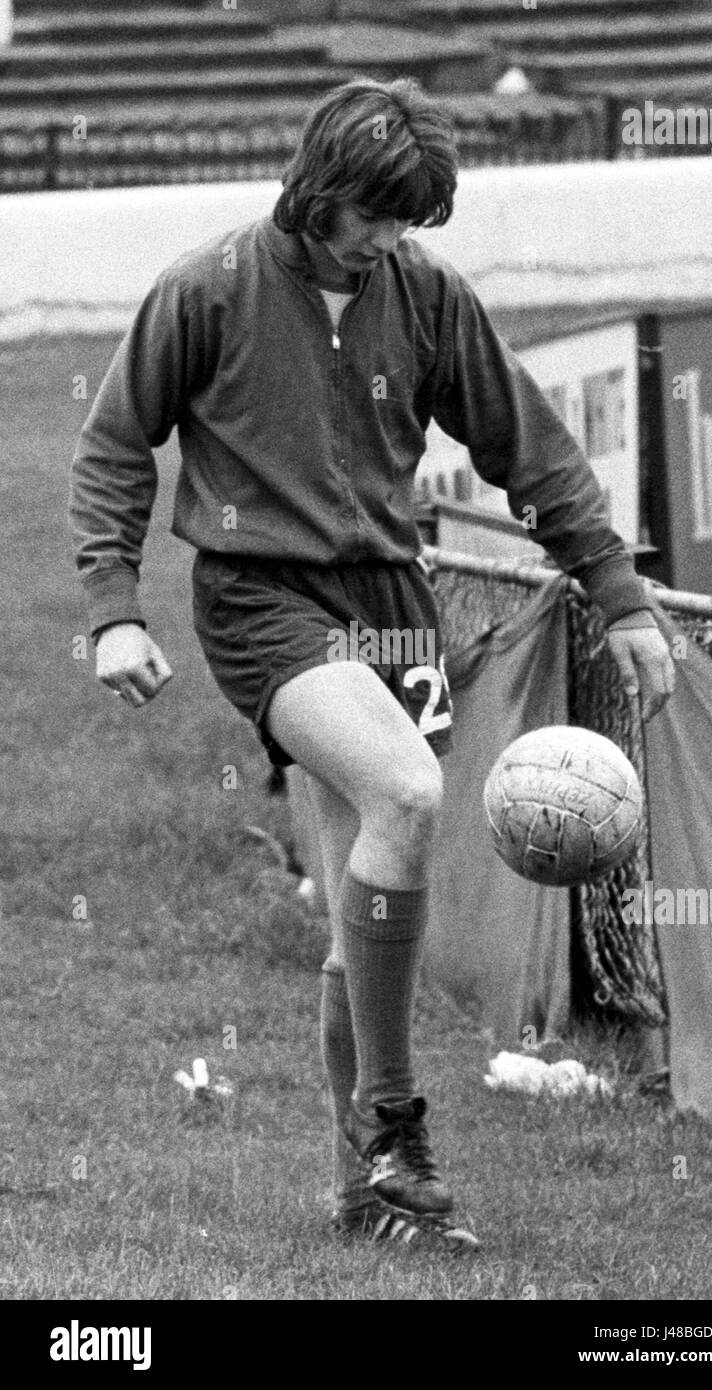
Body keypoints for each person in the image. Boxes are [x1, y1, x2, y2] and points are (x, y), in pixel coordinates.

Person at [70, 78, 675, 1253]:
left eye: (410, 222)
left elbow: (526, 445)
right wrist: (111, 610)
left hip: (392, 610)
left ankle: (367, 1201)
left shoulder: (426, 294)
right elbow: (111, 444)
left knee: (363, 922)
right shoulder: (209, 288)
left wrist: (619, 594)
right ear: (318, 191)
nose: (391, 241)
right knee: (405, 790)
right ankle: (398, 1125)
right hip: (260, 600)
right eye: (376, 218)